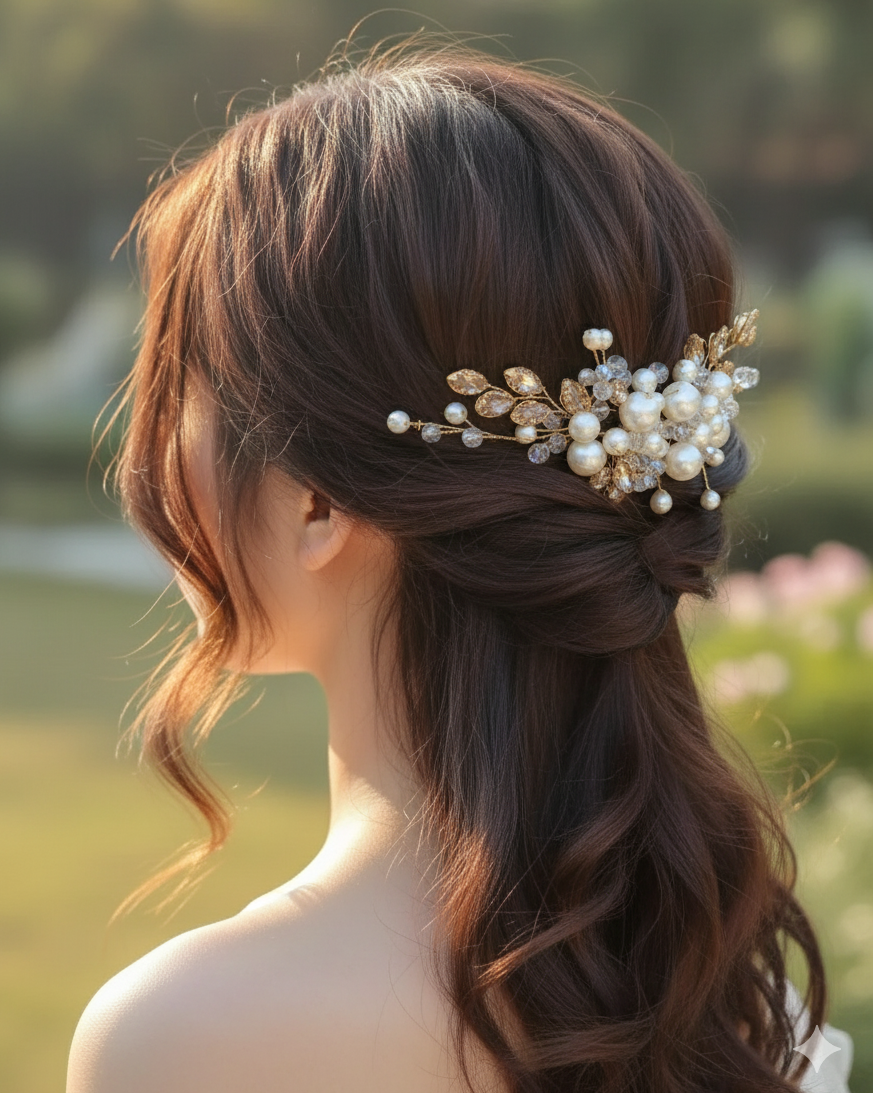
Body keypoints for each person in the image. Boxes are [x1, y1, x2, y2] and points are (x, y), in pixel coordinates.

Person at [66, 40, 853, 1093]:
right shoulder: (730, 997)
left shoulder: (185, 1039)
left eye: (182, 389)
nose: (156, 452)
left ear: (315, 501)